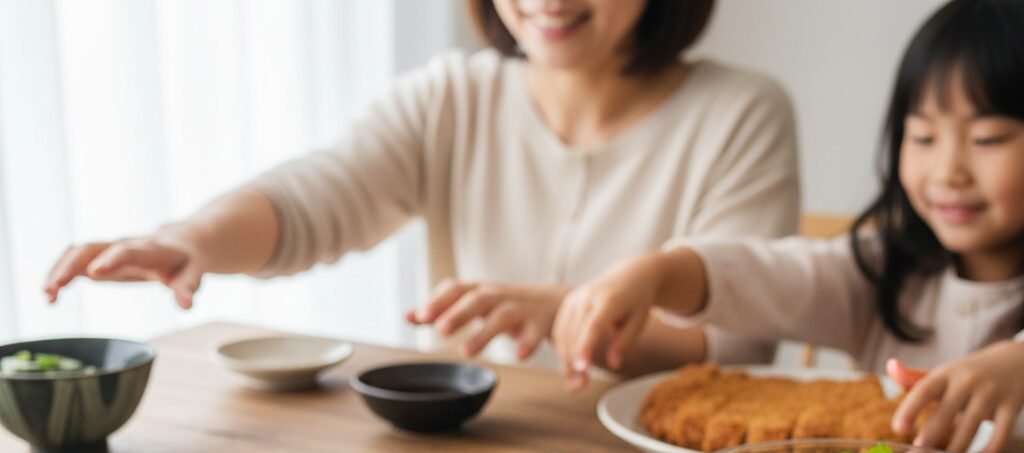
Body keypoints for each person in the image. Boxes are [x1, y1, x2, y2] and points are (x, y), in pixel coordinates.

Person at [43, 0, 799, 374]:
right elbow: (321, 195)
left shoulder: (742, 112)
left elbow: (740, 342)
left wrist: (573, 315)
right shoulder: (450, 96)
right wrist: (191, 239)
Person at [553, 0, 1024, 453]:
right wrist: (657, 272)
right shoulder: (882, 268)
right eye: (922, 137)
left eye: (988, 139)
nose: (948, 171)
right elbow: (769, 275)